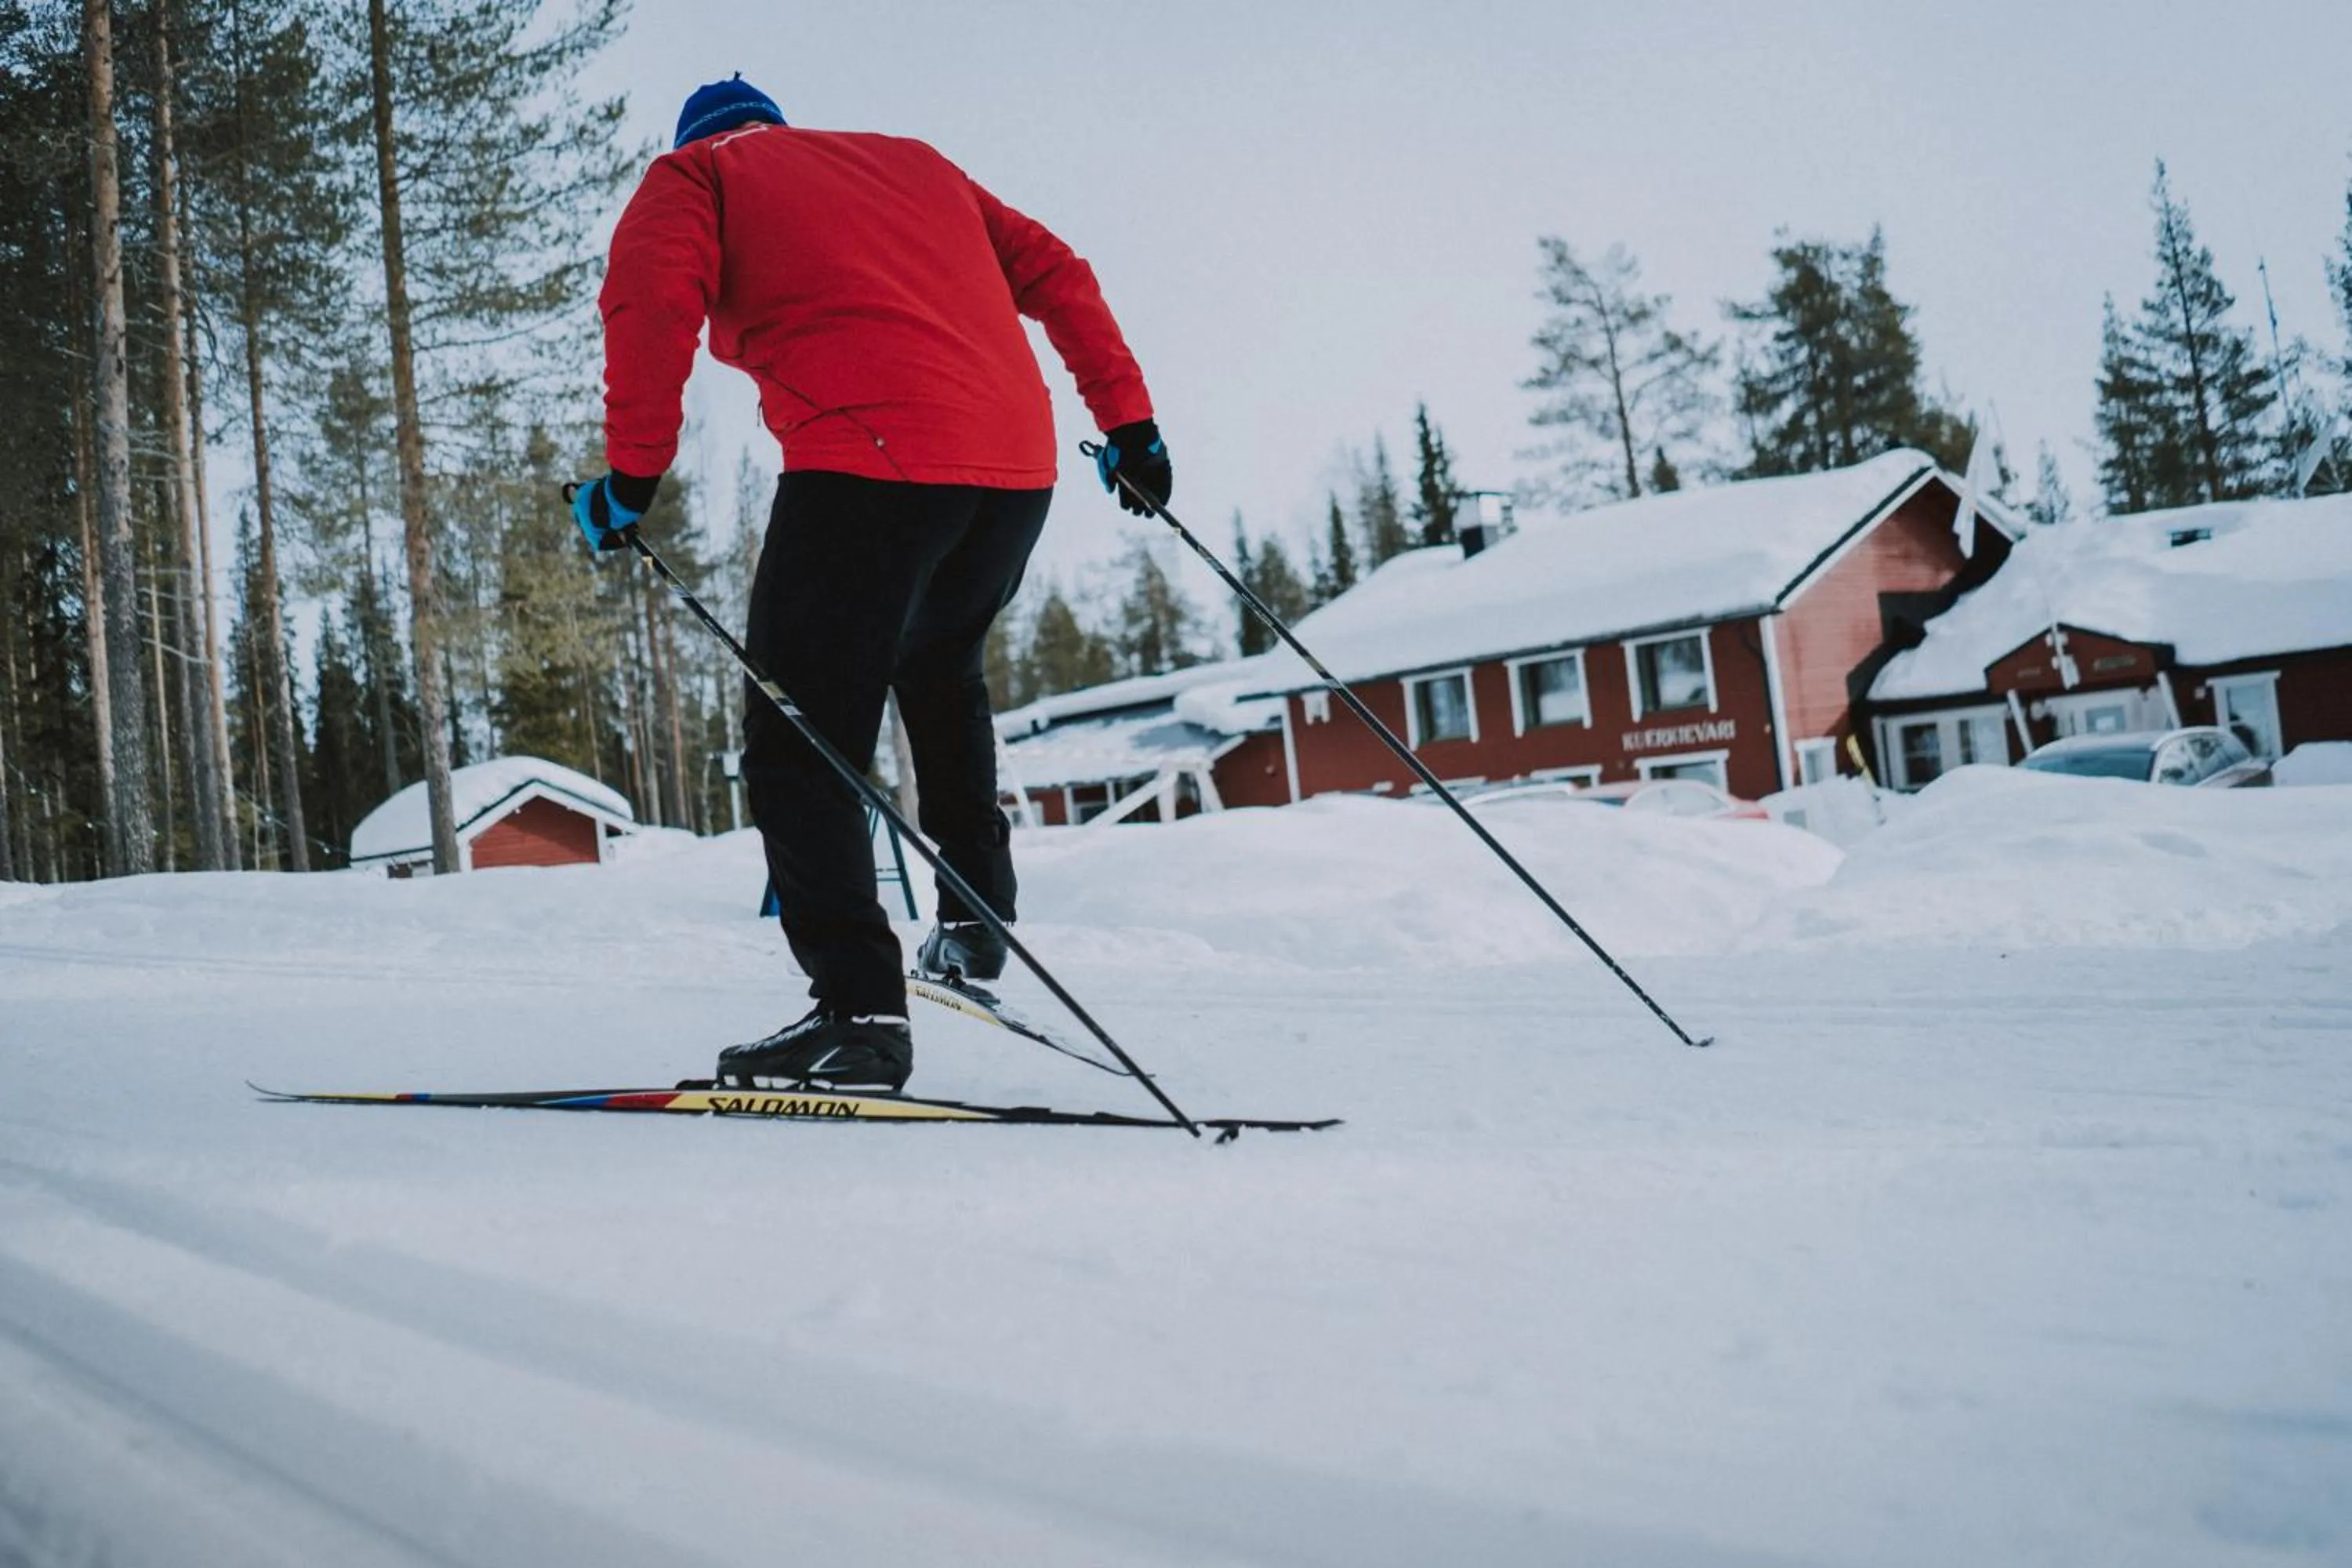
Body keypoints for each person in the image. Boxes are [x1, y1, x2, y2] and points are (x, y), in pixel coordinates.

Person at [571, 76, 1171, 1094]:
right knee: (939, 670)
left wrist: (630, 480)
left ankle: (859, 1013)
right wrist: (1132, 428)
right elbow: (1059, 273)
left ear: (701, 137)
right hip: (1013, 477)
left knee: (799, 732)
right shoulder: (917, 166)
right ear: (780, 127)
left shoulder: (698, 174)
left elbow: (651, 300)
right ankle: (973, 925)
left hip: (868, 467)